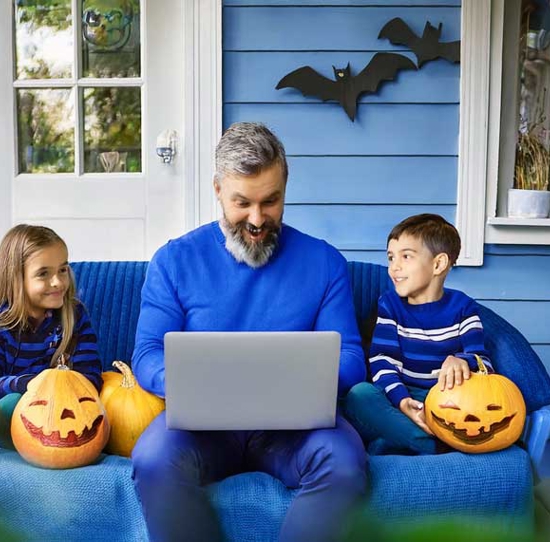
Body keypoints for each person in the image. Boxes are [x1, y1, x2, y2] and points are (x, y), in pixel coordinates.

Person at [131, 122, 368, 542]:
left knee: (346, 461)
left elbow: (351, 358)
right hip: (201, 429)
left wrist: (298, 381)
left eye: (271, 201)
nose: (257, 220)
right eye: (243, 203)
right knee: (152, 458)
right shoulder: (173, 261)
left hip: (295, 431)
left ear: (285, 188)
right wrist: (188, 383)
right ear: (218, 190)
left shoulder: (325, 263)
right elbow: (147, 353)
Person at [345, 213, 493, 455]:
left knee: (382, 440)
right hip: (401, 394)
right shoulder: (390, 305)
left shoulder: (463, 307)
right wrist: (402, 401)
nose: (394, 267)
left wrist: (461, 360)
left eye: (406, 256)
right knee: (358, 396)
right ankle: (430, 444)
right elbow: (383, 362)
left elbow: (483, 363)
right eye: (391, 258)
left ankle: (401, 439)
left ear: (438, 264)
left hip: (448, 403)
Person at [0, 224, 102, 447]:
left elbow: (91, 376)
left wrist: (54, 387)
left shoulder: (74, 316)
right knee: (9, 403)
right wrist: (29, 385)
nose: (57, 282)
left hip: (61, 405)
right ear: (16, 278)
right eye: (43, 274)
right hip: (14, 407)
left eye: (63, 270)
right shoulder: (2, 323)